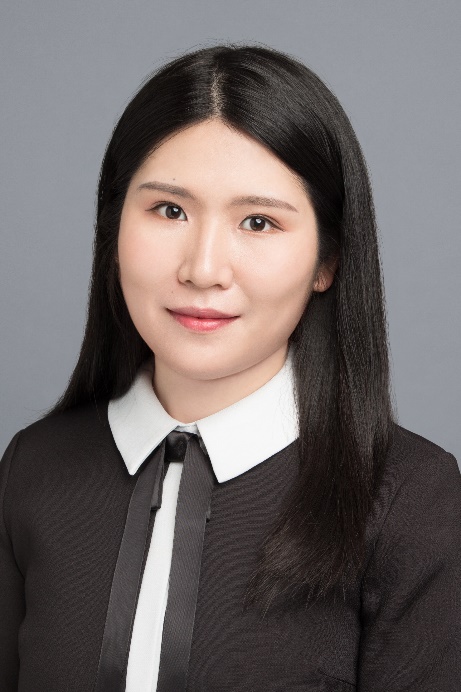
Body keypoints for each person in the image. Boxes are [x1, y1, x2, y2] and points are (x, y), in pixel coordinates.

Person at [1, 43, 460, 692]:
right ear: (113, 230)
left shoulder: (410, 497)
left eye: (258, 222)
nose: (203, 269)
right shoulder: (34, 468)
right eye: (169, 211)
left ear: (327, 261)